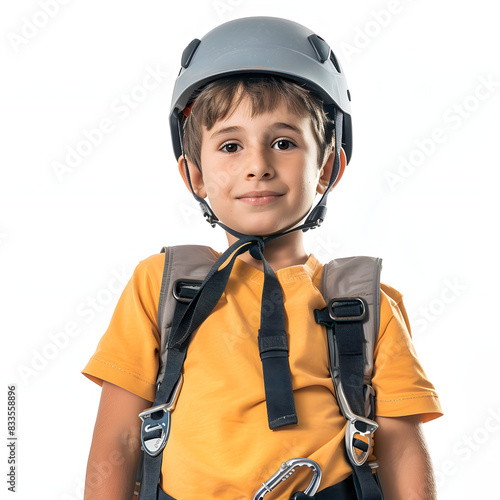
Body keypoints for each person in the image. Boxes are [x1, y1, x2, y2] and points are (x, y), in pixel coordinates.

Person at [82, 16, 443, 500]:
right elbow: (120, 439)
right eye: (231, 145)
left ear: (328, 168)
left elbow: (400, 446)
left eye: (284, 142)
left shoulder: (364, 302)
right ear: (195, 176)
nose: (257, 166)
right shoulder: (162, 286)